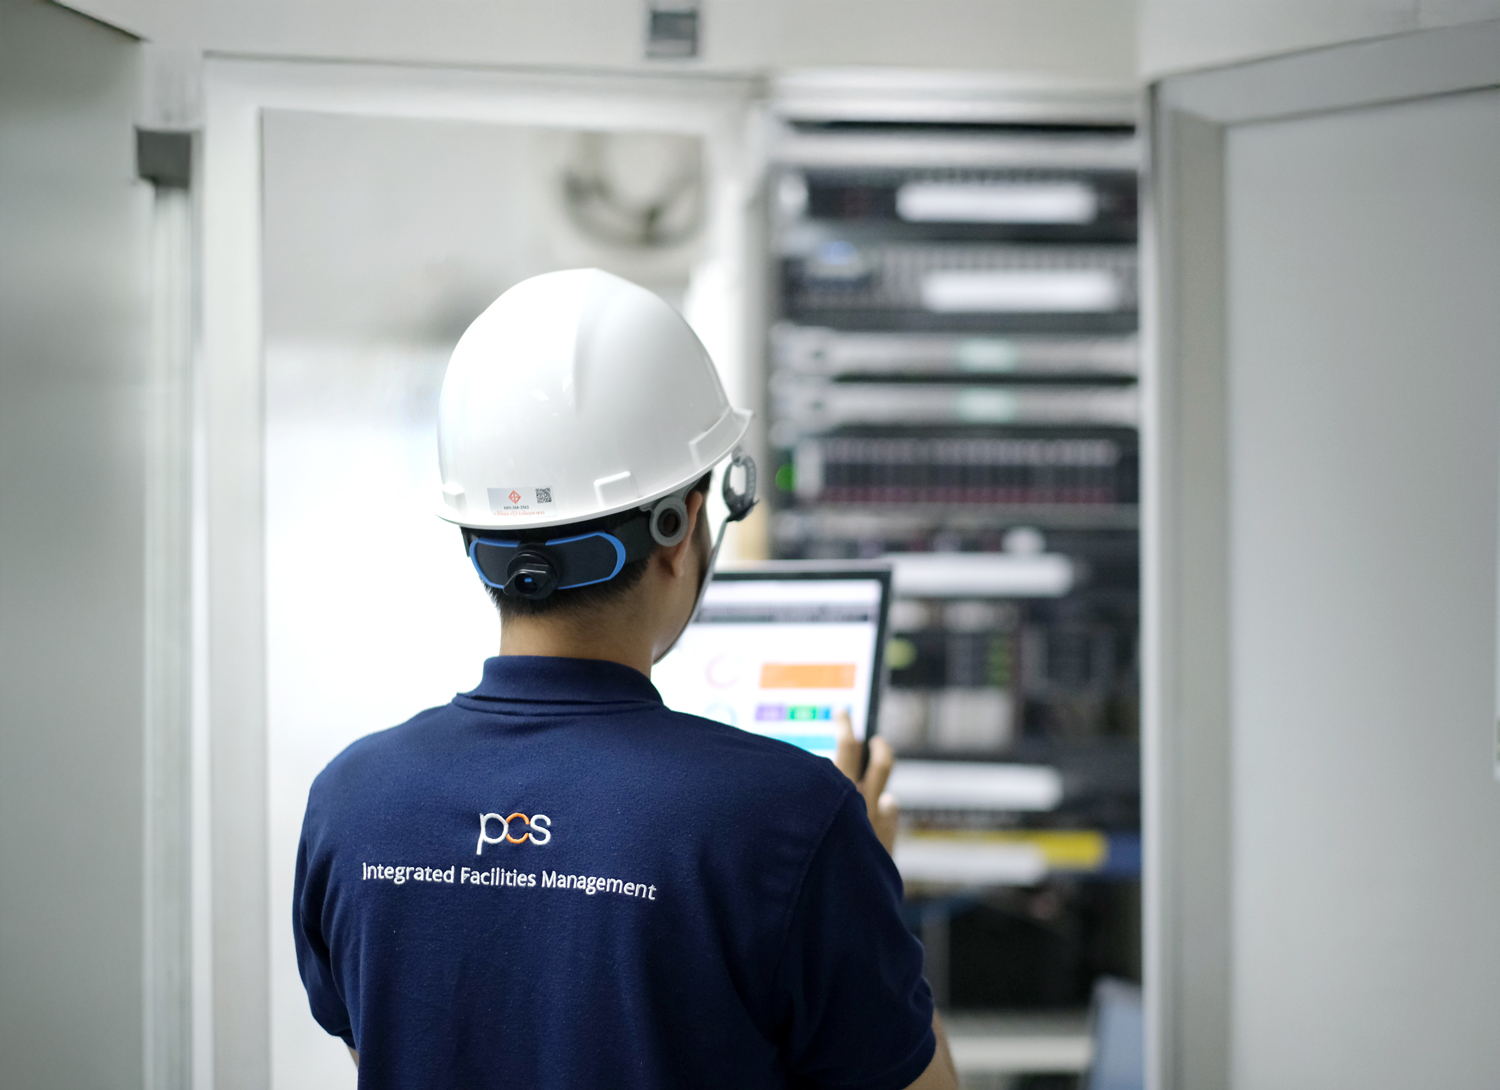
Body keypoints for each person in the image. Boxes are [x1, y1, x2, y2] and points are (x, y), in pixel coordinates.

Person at [292, 268, 959, 1089]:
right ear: (679, 528)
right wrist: (867, 899)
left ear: (473, 532)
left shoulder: (351, 801)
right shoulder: (793, 822)